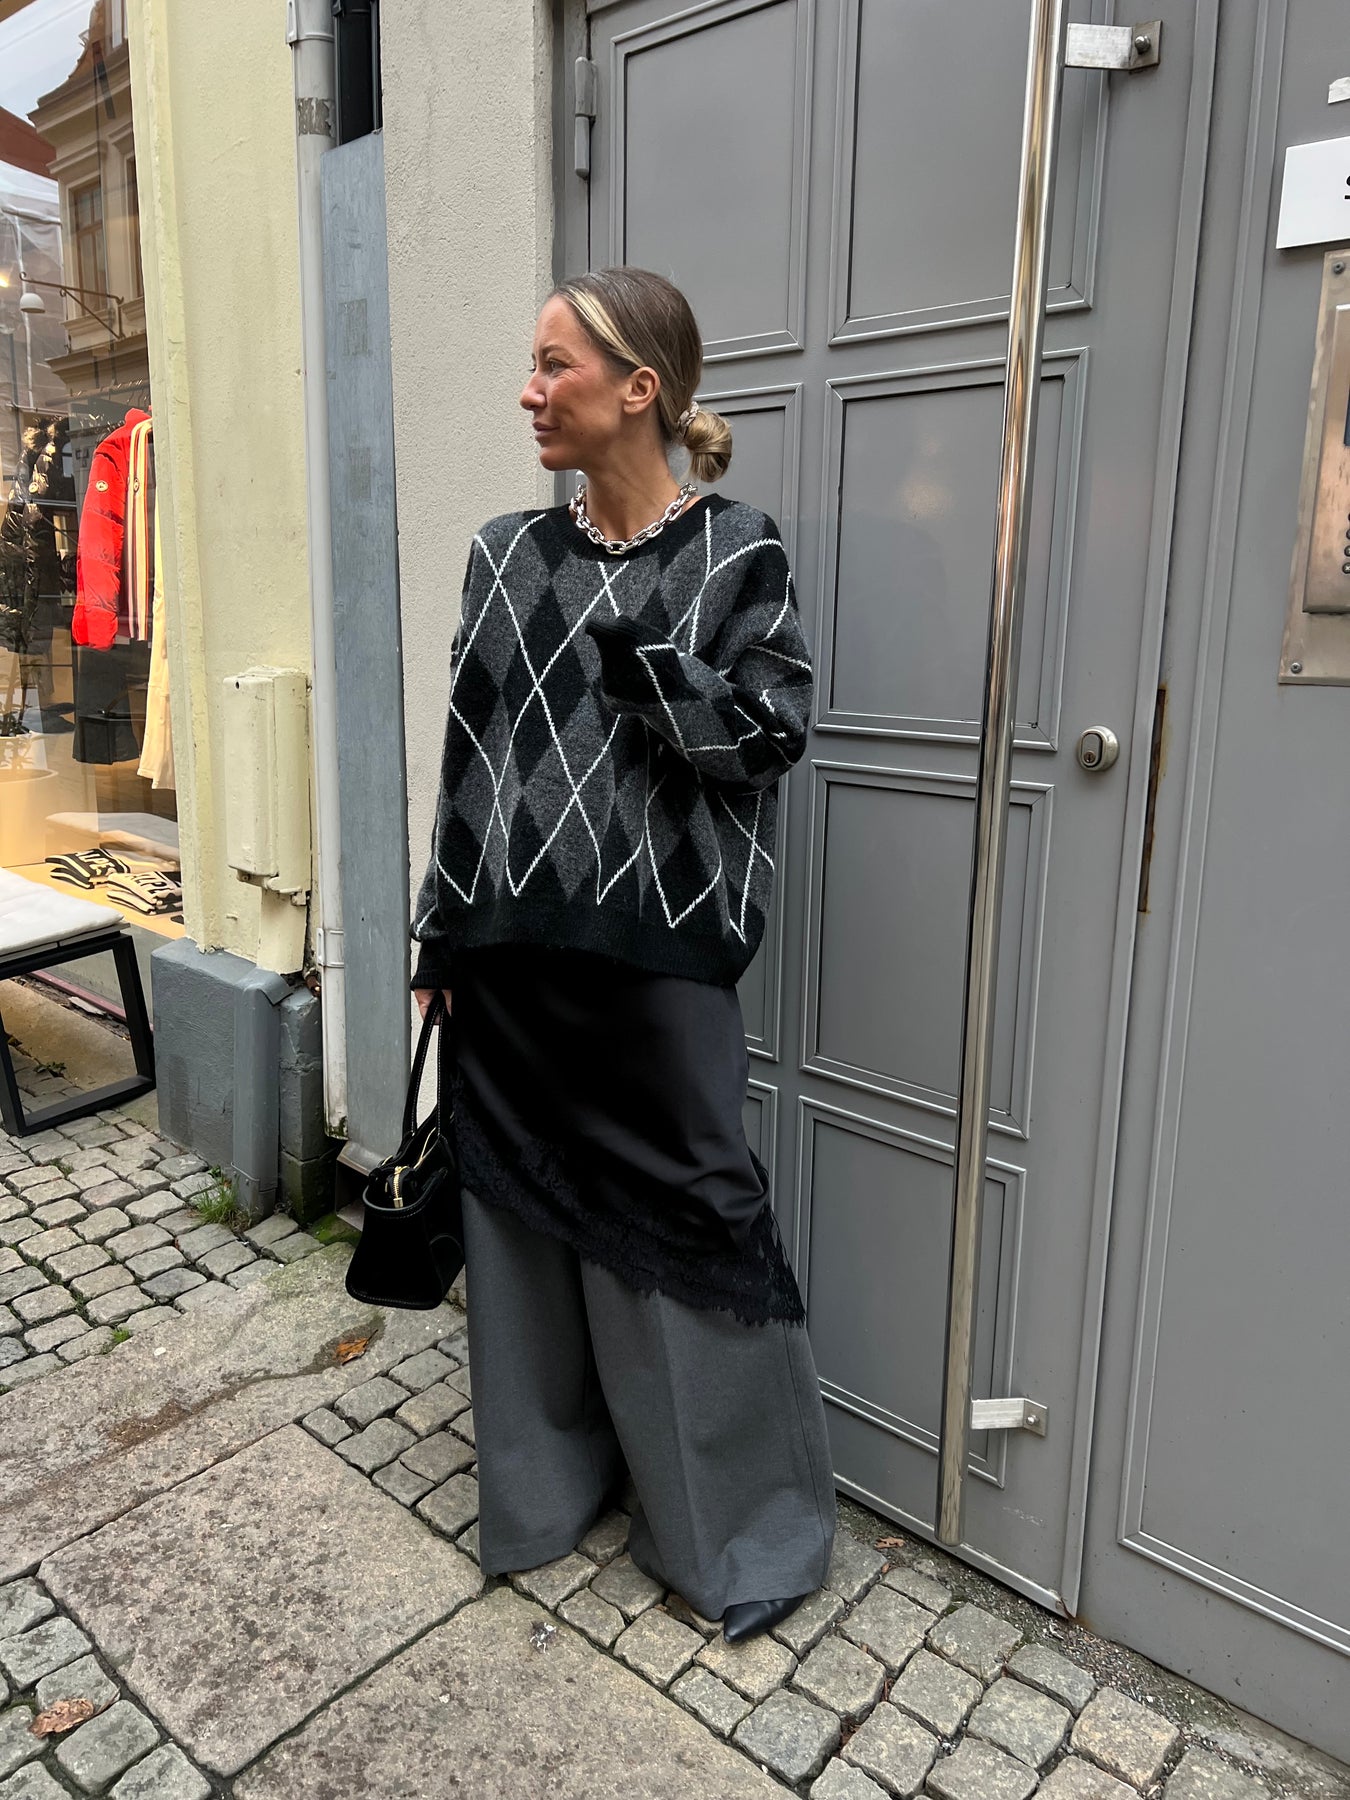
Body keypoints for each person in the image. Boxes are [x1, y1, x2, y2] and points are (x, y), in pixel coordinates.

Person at [410, 266, 836, 1643]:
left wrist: (653, 666)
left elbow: (768, 742)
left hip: (657, 963)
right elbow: (469, 758)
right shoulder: (504, 553)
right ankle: (545, 1496)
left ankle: (737, 1536)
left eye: (557, 367)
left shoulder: (739, 553)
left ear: (640, 388)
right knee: (522, 1216)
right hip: (509, 956)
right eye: (533, 366)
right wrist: (438, 930)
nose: (529, 392)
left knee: (694, 1223)